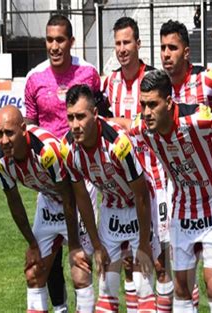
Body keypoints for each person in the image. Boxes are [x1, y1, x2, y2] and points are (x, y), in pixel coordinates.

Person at [127, 70, 212, 313]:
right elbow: (119, 126)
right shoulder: (143, 128)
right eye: (143, 104)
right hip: (182, 211)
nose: (146, 112)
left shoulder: (197, 118)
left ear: (169, 102)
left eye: (153, 104)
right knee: (182, 288)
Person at [24, 14, 100, 312]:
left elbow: (99, 119)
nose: (54, 46)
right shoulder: (34, 78)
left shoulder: (89, 74)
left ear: (71, 41)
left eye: (60, 40)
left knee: (83, 259)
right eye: (49, 40)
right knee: (44, 258)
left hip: (83, 178)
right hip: (49, 182)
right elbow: (29, 129)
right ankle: (59, 308)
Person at [62, 84, 158, 312]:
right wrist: (96, 245)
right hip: (111, 207)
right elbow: (82, 198)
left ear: (95, 115)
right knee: (107, 288)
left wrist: (144, 243)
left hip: (139, 206)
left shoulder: (118, 143)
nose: (75, 125)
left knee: (144, 287)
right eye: (70, 117)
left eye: (81, 117)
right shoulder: (67, 148)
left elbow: (141, 192)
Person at [0, 106, 94, 312]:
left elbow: (68, 195)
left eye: (9, 133)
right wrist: (32, 244)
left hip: (76, 196)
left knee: (80, 272)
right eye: (0, 134)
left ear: (23, 129)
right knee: (33, 272)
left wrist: (74, 244)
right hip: (49, 198)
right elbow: (14, 201)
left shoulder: (47, 151)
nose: (4, 141)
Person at [101, 16, 159, 312]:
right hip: (119, 183)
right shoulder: (108, 82)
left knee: (157, 263)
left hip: (152, 181)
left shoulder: (152, 80)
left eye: (127, 42)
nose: (122, 49)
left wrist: (123, 124)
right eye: (118, 43)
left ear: (138, 43)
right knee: (127, 263)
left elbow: (157, 124)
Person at [160, 19, 212, 111]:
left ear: (186, 52)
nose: (166, 54)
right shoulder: (159, 87)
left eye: (172, 48)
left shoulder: (206, 78)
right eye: (163, 48)